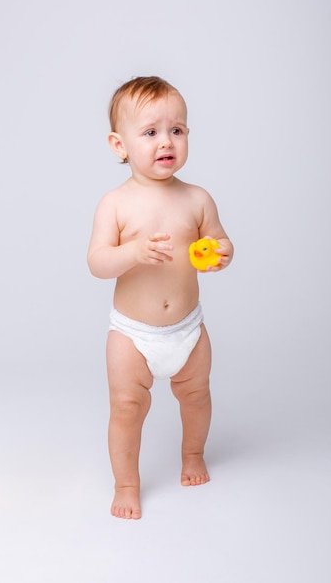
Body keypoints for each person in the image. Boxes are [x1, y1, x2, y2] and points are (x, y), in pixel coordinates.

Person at [87, 76, 233, 519]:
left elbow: (220, 241)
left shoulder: (197, 198)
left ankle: (193, 455)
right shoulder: (115, 204)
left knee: (197, 396)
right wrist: (131, 252)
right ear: (120, 144)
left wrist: (221, 254)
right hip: (132, 336)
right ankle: (127, 483)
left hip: (188, 329)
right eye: (150, 132)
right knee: (127, 408)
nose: (165, 141)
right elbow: (97, 263)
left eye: (177, 129)